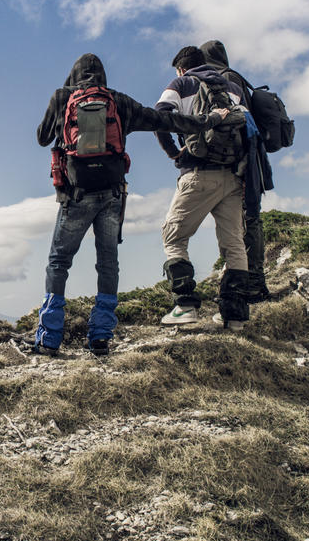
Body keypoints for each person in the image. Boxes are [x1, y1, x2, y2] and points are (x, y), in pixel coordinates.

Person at [34, 53, 228, 356]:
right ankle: (100, 337)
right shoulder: (118, 101)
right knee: (108, 263)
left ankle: (48, 337)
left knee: (59, 261)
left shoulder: (63, 97)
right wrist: (210, 121)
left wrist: (63, 104)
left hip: (75, 194)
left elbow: (42, 138)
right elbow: (165, 119)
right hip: (111, 195)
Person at [155, 46, 250, 330]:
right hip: (233, 176)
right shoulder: (232, 87)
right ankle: (234, 316)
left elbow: (160, 116)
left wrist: (174, 152)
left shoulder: (181, 84)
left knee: (173, 236)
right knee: (234, 243)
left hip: (198, 173)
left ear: (182, 68)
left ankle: (185, 306)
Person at [200, 39, 274, 303]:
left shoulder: (224, 79)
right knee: (245, 218)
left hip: (243, 162)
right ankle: (250, 281)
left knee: (246, 219)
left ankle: (252, 283)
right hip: (250, 158)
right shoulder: (235, 77)